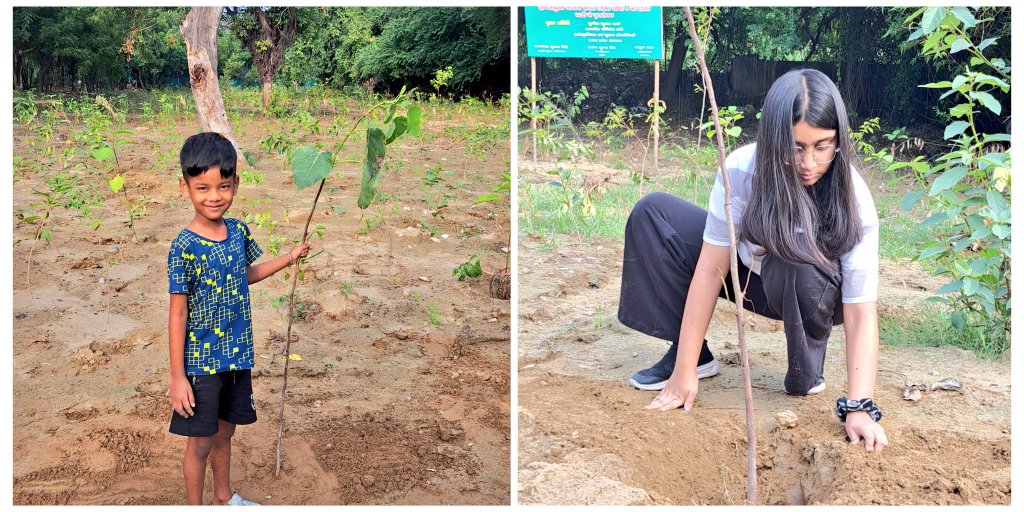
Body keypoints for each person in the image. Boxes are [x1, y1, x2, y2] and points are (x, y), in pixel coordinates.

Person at [618, 69, 888, 452]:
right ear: (773, 138)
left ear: (838, 141)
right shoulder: (743, 170)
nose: (808, 163)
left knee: (793, 260)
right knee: (654, 214)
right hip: (750, 277)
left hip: (813, 290)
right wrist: (683, 371)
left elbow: (861, 311)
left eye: (822, 146)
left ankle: (806, 369)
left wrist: (859, 406)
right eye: (795, 147)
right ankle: (692, 355)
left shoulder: (854, 200)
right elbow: (712, 269)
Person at [167, 132, 311, 505]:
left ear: (235, 185)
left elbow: (244, 275)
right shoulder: (183, 246)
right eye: (202, 187)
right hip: (201, 364)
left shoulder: (238, 232)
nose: (214, 196)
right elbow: (177, 312)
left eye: (223, 186)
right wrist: (177, 376)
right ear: (185, 187)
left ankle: (224, 498)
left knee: (225, 433)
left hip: (236, 355)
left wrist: (289, 258)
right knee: (199, 442)